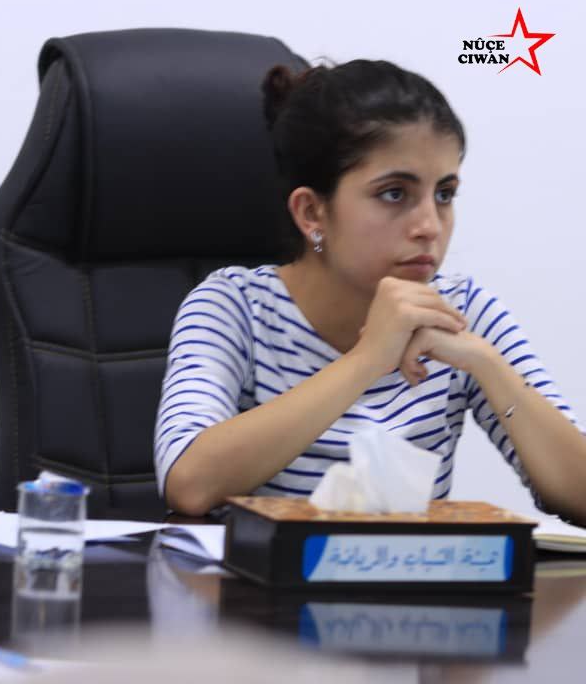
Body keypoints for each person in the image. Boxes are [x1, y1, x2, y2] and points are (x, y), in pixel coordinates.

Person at [155, 59, 586, 522]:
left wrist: (487, 366)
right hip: (264, 570)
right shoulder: (234, 307)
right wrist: (368, 359)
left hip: (413, 570)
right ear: (312, 213)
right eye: (394, 194)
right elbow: (189, 484)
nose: (429, 226)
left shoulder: (463, 311)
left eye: (444, 194)